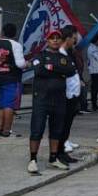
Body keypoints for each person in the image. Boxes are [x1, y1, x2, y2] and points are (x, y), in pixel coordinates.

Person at [28, 30, 73, 173]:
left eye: (57, 38)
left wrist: (52, 68)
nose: (54, 40)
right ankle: (33, 159)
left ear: (60, 41)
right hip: (41, 98)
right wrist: (59, 71)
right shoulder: (40, 55)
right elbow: (39, 70)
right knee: (37, 129)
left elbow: (70, 70)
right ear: (47, 41)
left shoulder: (64, 57)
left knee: (56, 130)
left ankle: (53, 158)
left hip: (59, 98)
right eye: (52, 38)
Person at [0, 23, 26, 138]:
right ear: (15, 34)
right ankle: (6, 130)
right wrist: (27, 64)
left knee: (1, 105)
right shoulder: (16, 45)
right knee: (9, 105)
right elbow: (20, 64)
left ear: (3, 32)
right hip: (11, 78)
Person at [57, 25, 84, 163]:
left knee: (66, 125)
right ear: (67, 39)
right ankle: (59, 152)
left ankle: (62, 151)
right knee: (62, 125)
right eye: (73, 39)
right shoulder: (60, 54)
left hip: (72, 95)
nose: (75, 41)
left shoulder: (69, 53)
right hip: (65, 95)